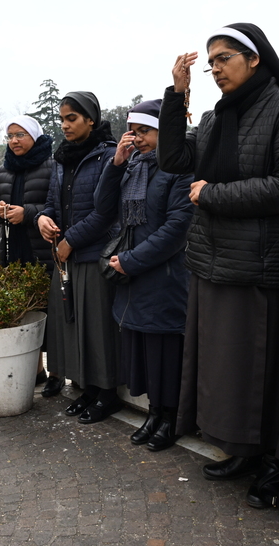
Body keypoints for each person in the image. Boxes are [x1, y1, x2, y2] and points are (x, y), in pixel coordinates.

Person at [157, 23, 279, 499]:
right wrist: (176, 95)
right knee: (229, 368)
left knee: (268, 369)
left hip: (261, 264)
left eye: (224, 57)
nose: (215, 68)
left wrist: (213, 195)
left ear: (255, 59)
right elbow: (172, 159)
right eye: (210, 62)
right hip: (213, 259)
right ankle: (245, 450)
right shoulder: (212, 117)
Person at [96, 99, 194, 450]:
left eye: (145, 131)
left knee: (166, 352)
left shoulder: (180, 168)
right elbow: (103, 208)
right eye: (133, 131)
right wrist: (115, 165)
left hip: (163, 276)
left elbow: (177, 227)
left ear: (164, 131)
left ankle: (172, 418)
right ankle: (155, 412)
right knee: (145, 352)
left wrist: (133, 260)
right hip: (134, 277)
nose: (137, 138)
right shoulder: (132, 165)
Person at [35, 91, 119, 422]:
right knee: (74, 325)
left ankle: (108, 391)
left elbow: (106, 212)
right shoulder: (62, 158)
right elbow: (53, 201)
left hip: (93, 255)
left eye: (72, 118)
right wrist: (44, 219)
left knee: (98, 328)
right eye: (62, 119)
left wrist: (71, 240)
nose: (65, 125)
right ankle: (89, 388)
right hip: (65, 256)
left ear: (90, 119)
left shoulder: (108, 156)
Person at [0, 116, 56, 390]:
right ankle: (35, 372)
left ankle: (57, 373)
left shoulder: (52, 166)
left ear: (35, 137)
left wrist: (27, 214)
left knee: (51, 315)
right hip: (10, 253)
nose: (14, 140)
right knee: (22, 315)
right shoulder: (4, 170)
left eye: (20, 135)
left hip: (43, 253)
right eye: (10, 136)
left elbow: (58, 207)